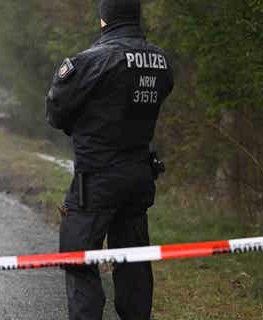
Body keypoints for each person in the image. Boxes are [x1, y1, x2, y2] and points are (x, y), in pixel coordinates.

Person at [45, 0, 174, 319]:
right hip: (139, 176)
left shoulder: (89, 62)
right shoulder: (161, 61)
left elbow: (56, 113)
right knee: (133, 264)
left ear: (104, 19)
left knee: (78, 258)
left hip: (98, 179)